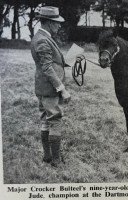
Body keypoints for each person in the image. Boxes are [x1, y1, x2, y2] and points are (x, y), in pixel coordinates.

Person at [31, 6, 73, 167]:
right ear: (48, 22)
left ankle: (48, 156)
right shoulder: (42, 39)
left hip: (43, 87)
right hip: (50, 88)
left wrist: (68, 60)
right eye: (56, 23)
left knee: (45, 120)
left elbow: (49, 62)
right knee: (54, 120)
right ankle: (55, 160)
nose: (59, 25)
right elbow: (47, 68)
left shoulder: (42, 37)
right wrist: (62, 88)